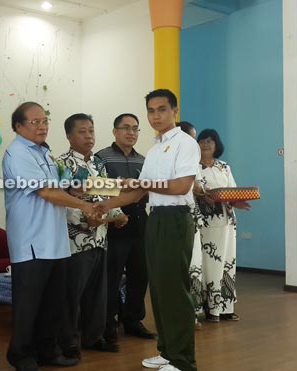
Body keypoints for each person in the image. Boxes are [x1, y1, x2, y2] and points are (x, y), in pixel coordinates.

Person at [96, 89, 200, 371]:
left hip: (175, 218)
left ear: (174, 111)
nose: (156, 116)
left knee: (174, 290)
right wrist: (107, 205)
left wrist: (140, 185)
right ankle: (168, 352)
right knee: (159, 289)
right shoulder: (155, 149)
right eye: (151, 111)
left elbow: (181, 186)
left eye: (162, 109)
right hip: (155, 218)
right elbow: (138, 192)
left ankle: (182, 361)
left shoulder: (186, 143)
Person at [3, 102, 96, 371]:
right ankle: (19, 355)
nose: (42, 125)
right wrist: (85, 206)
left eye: (45, 120)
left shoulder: (44, 153)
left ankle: (47, 351)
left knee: (52, 305)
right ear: (18, 127)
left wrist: (108, 191)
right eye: (35, 122)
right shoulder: (18, 152)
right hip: (31, 242)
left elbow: (65, 187)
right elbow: (47, 192)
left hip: (55, 243)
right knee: (28, 306)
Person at [58, 113, 128, 358]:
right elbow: (61, 201)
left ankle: (93, 337)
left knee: (97, 293)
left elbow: (109, 196)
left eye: (91, 131)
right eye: (82, 131)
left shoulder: (98, 164)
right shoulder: (62, 164)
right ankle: (68, 342)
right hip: (76, 239)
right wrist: (82, 218)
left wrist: (119, 213)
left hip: (100, 236)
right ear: (69, 136)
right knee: (72, 294)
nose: (88, 136)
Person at [95, 113, 156, 343]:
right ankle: (108, 323)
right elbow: (98, 189)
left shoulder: (144, 160)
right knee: (111, 276)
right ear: (114, 131)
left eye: (135, 129)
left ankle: (133, 320)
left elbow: (149, 191)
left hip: (141, 221)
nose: (131, 133)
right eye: (126, 128)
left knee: (139, 274)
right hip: (115, 221)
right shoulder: (102, 158)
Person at [194, 129, 250, 322]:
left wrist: (238, 202)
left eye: (211, 141)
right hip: (205, 223)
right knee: (209, 265)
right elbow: (194, 193)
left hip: (227, 222)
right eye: (202, 141)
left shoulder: (224, 167)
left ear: (217, 145)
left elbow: (232, 191)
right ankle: (209, 308)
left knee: (227, 263)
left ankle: (225, 308)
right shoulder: (193, 167)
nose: (207, 144)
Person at [177, 121, 205, 330]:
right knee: (180, 268)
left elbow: (198, 186)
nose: (194, 142)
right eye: (191, 137)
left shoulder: (192, 158)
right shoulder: (169, 155)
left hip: (191, 218)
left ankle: (192, 313)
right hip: (171, 217)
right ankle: (182, 315)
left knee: (193, 266)